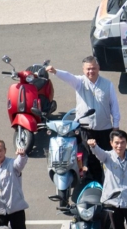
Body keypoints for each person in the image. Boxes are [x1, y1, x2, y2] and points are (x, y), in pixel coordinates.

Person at [46, 57, 121, 185]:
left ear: (98, 68)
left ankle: (112, 182)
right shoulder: (79, 82)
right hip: (85, 129)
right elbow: (68, 77)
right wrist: (55, 72)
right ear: (83, 70)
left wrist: (116, 126)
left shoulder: (108, 84)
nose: (91, 71)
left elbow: (114, 106)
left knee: (109, 157)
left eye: (93, 68)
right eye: (88, 69)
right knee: (90, 158)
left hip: (105, 129)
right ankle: (96, 183)